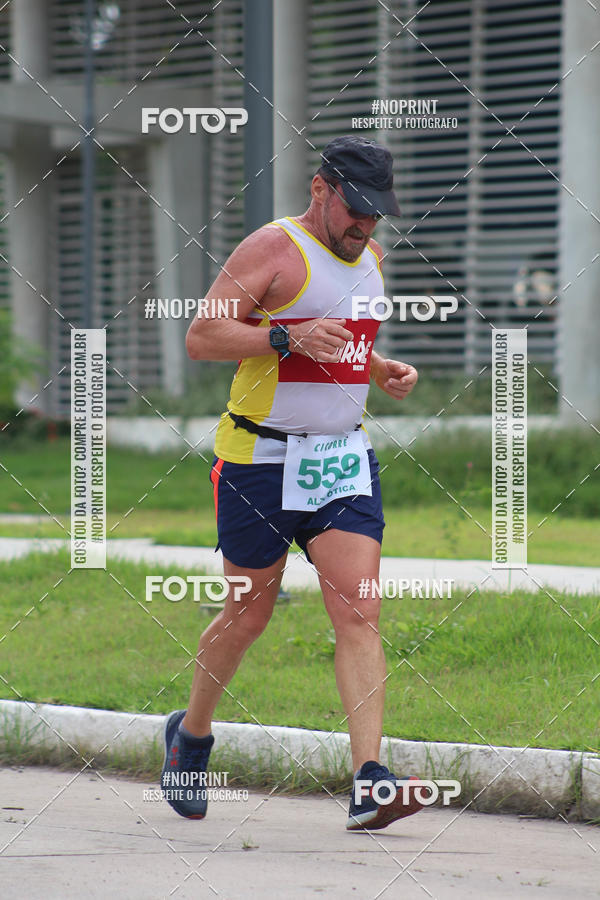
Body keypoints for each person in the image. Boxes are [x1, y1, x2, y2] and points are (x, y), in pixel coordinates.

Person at [161, 135, 424, 831]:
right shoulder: (271, 251)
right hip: (259, 462)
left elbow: (339, 344)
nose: (365, 225)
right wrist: (283, 337)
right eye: (355, 208)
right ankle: (189, 740)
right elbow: (202, 337)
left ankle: (369, 778)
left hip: (341, 460)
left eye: (377, 212)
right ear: (320, 189)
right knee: (249, 614)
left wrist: (380, 368)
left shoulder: (369, 256)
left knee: (360, 613)